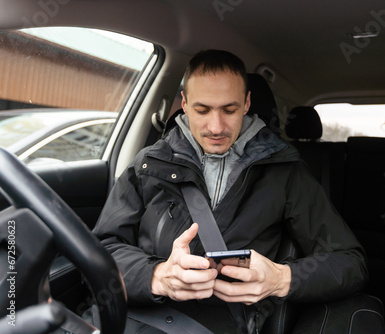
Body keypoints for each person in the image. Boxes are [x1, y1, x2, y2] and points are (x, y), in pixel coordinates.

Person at [93, 49, 367, 333]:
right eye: (202, 110)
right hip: (132, 320)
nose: (216, 127)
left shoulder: (285, 171)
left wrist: (281, 279)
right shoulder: (148, 164)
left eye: (229, 109)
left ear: (247, 103)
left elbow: (350, 262)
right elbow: (101, 251)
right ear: (184, 104)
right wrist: (157, 276)